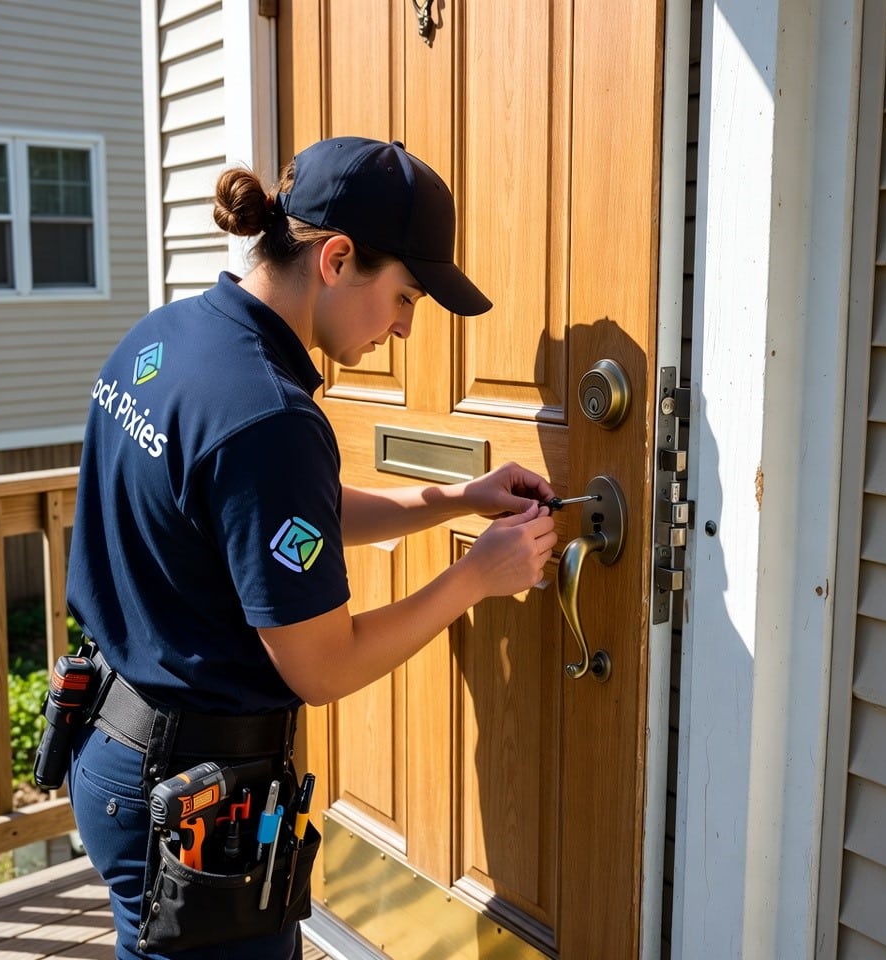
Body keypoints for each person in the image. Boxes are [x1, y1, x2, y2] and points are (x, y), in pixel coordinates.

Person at [64, 136, 557, 959]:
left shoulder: (172, 339)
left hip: (112, 745)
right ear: (336, 258)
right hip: (190, 801)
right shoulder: (271, 417)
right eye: (406, 297)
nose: (403, 328)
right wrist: (475, 577)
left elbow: (271, 522)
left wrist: (453, 499)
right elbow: (322, 667)